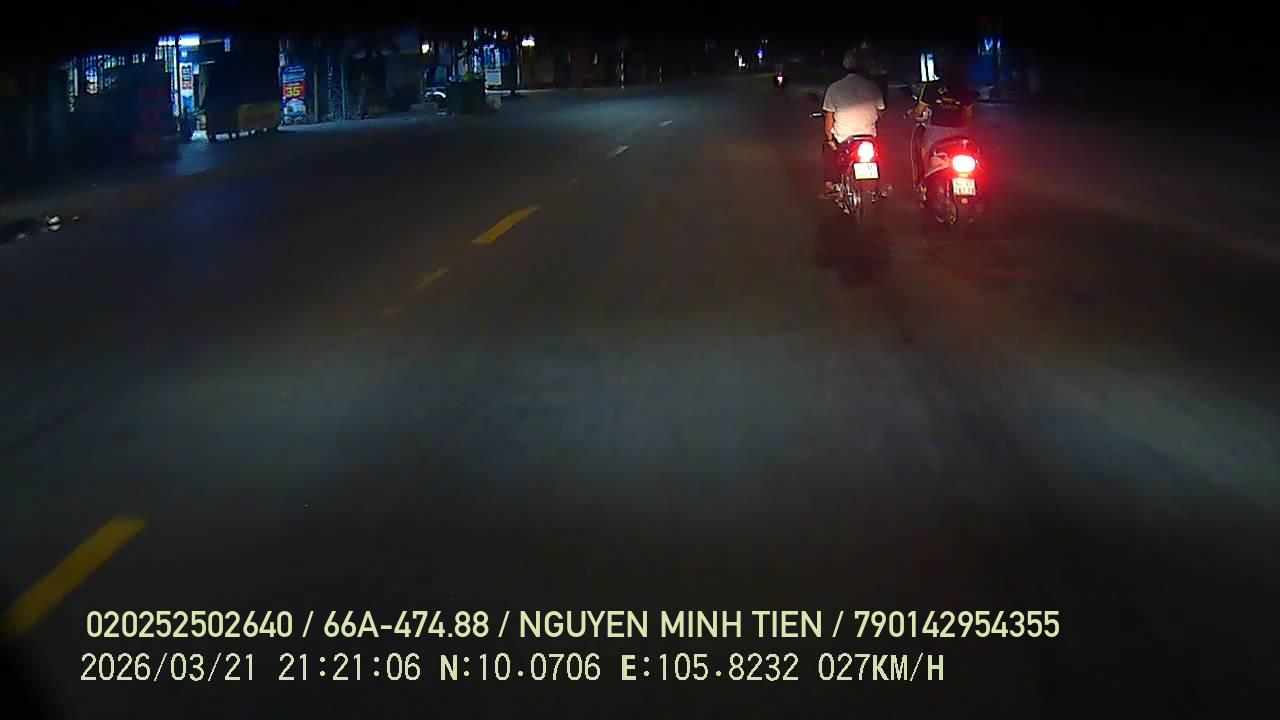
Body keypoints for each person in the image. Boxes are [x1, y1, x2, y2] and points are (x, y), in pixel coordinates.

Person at [821, 48, 885, 198]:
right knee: (879, 153)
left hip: (844, 138)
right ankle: (878, 187)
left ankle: (831, 185)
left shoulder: (834, 88)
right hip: (868, 136)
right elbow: (880, 111)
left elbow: (829, 118)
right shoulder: (872, 86)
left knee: (828, 148)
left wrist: (829, 139)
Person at [909, 61, 977, 192]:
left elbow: (919, 111)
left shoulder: (931, 87)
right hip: (960, 133)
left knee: (925, 151)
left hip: (936, 132)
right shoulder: (964, 89)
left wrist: (913, 114)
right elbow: (969, 115)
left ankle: (924, 184)